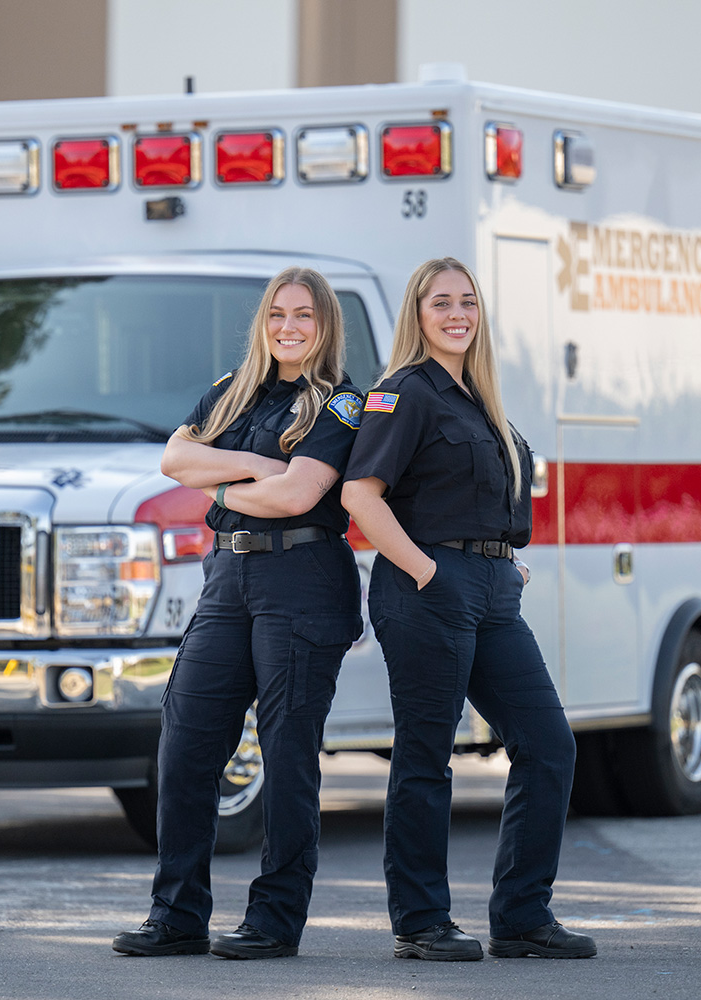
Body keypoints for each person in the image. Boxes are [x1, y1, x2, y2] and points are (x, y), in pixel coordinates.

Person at [341, 257, 596, 962]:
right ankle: (421, 922)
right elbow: (360, 496)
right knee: (426, 756)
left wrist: (502, 564)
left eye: (468, 302)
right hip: (425, 587)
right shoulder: (403, 391)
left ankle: (522, 916)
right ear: (418, 314)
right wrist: (429, 571)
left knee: (548, 745)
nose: (457, 314)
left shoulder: (478, 398)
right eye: (442, 302)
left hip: (489, 590)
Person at [113, 267, 364, 960]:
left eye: (304, 315)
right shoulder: (233, 389)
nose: (289, 326)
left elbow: (295, 497)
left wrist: (219, 480)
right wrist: (256, 467)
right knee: (186, 744)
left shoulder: (342, 403)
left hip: (302, 579)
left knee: (287, 757)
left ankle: (274, 920)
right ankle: (177, 915)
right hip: (227, 578)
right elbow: (174, 459)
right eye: (278, 313)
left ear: (325, 325)